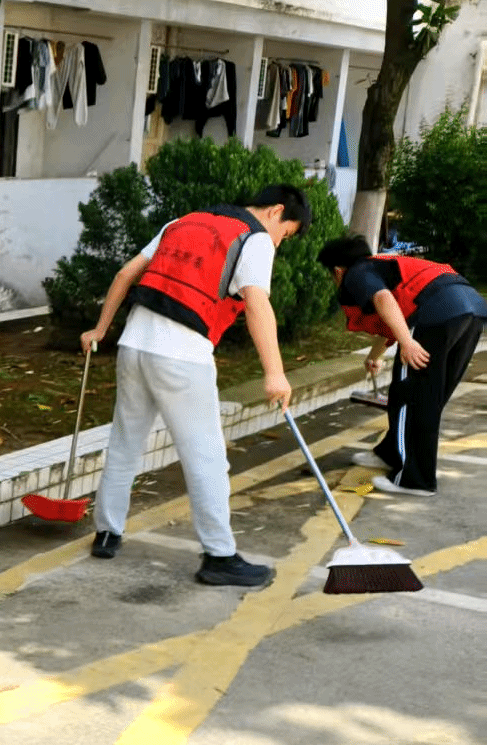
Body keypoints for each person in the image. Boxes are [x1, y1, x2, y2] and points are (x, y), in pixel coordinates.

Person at [80, 184, 310, 586]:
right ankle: (219, 556)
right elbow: (257, 304)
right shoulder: (254, 238)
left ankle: (106, 533)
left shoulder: (183, 221)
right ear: (276, 212)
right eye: (285, 234)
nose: (279, 242)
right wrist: (275, 373)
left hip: (133, 345)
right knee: (207, 458)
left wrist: (100, 329)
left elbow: (125, 273)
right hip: (182, 354)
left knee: (125, 443)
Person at [318, 234, 485, 496]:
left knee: (410, 396)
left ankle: (414, 480)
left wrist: (407, 342)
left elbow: (384, 300)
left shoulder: (357, 273)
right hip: (472, 309)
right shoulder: (382, 265)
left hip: (435, 312)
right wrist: (375, 355)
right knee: (428, 397)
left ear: (338, 271)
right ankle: (390, 453)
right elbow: (394, 313)